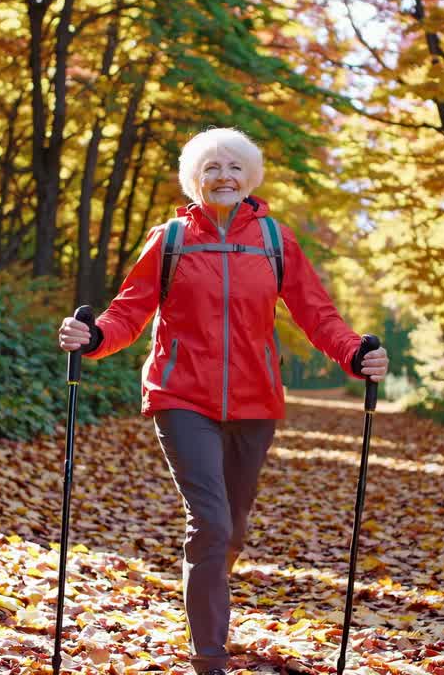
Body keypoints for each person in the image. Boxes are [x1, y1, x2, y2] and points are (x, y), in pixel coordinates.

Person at [57, 127, 388, 675]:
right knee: (209, 522)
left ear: (249, 176)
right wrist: (93, 339)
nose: (223, 176)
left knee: (232, 528)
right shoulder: (170, 240)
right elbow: (128, 312)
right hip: (180, 395)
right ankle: (209, 656)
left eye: (233, 167)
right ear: (195, 179)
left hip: (256, 402)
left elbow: (317, 314)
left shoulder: (275, 241)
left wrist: (355, 355)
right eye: (210, 168)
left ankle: (207, 579)